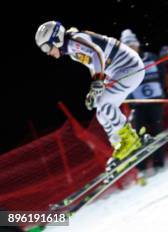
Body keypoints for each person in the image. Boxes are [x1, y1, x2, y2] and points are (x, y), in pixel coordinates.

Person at [35, 21, 145, 165]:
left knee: (105, 104)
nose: (47, 52)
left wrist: (99, 81)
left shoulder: (74, 40)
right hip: (120, 71)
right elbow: (93, 63)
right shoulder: (72, 50)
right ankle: (119, 145)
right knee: (101, 111)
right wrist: (94, 91)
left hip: (129, 68)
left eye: (46, 47)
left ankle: (130, 140)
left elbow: (97, 52)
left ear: (56, 39)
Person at [120, 29, 166, 179]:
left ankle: (159, 164)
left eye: (132, 45)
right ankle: (142, 168)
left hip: (155, 101)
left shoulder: (151, 57)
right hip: (138, 105)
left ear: (137, 45)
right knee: (139, 136)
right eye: (127, 47)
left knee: (157, 132)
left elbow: (162, 74)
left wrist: (162, 91)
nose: (131, 49)